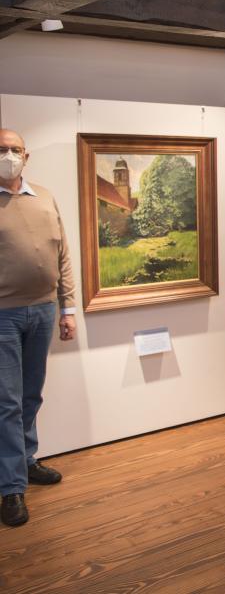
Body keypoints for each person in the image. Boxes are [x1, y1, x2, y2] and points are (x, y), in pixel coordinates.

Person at [0, 129, 76, 527]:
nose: (9, 155)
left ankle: (26, 461)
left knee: (31, 395)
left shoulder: (44, 196)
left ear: (26, 157)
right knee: (7, 402)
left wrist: (69, 309)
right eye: (2, 149)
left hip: (44, 311)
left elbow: (62, 253)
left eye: (15, 149)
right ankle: (11, 488)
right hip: (3, 316)